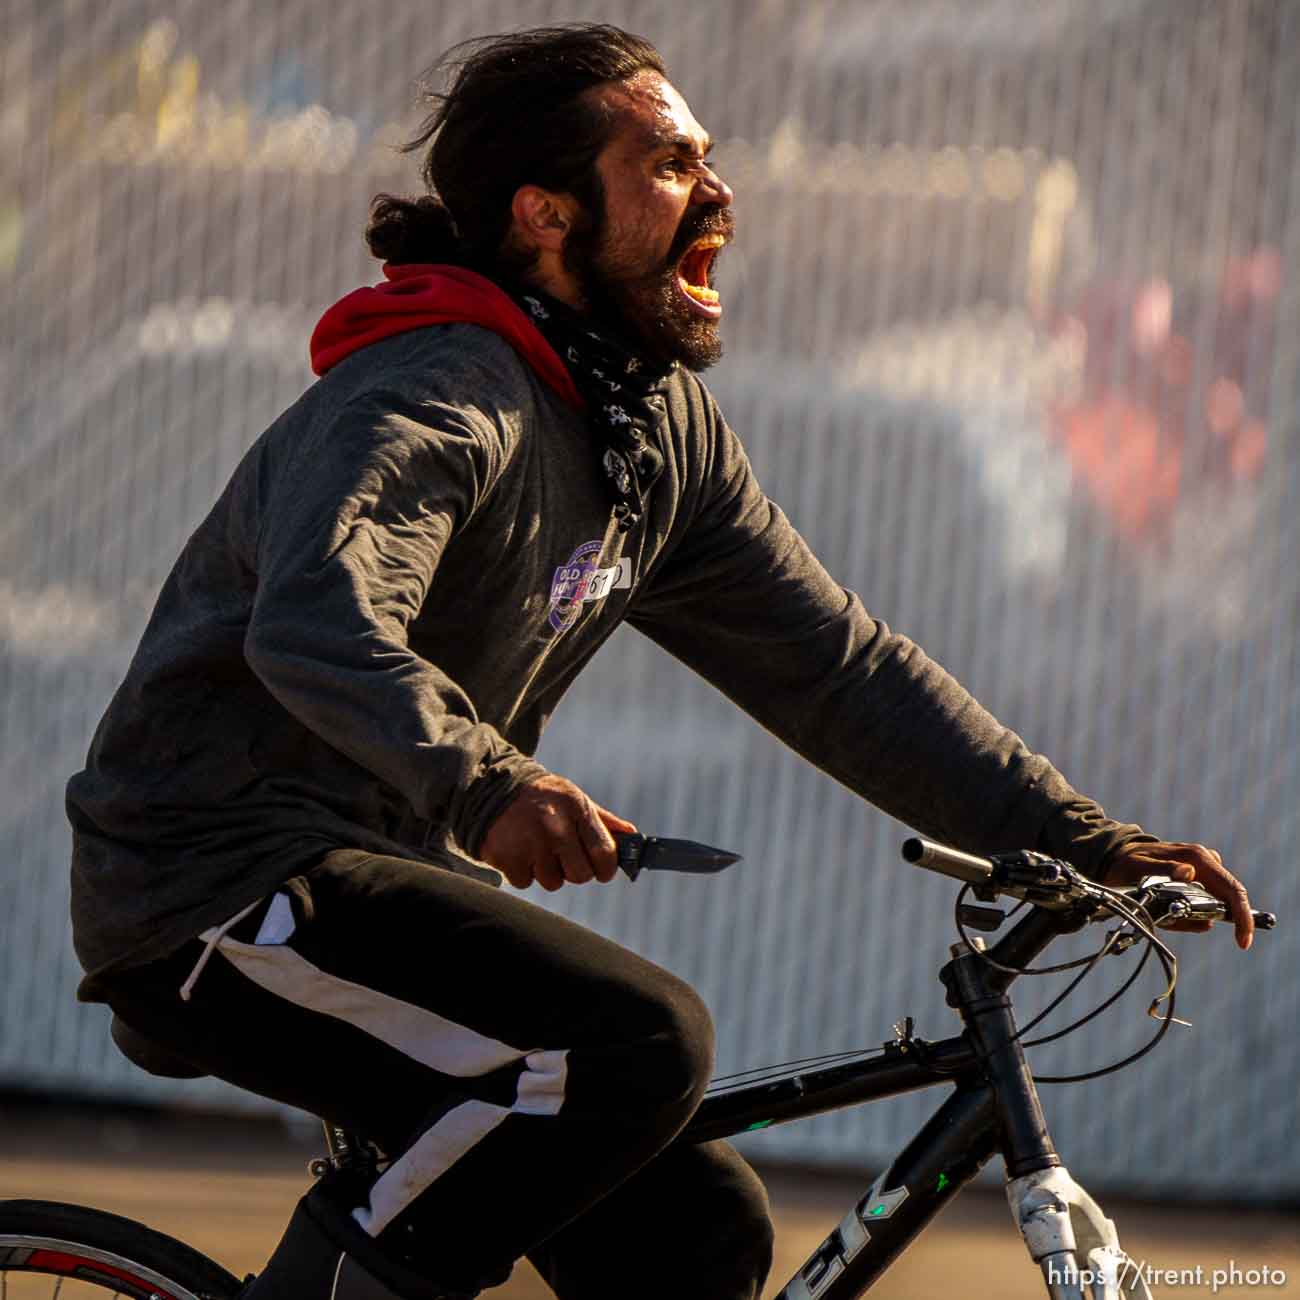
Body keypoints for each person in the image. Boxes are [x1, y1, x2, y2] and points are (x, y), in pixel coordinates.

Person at [66, 23, 1255, 1300]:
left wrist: (1085, 839)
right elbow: (312, 618)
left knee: (695, 1232)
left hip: (364, 877)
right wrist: (489, 784)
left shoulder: (649, 431)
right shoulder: (436, 395)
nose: (721, 192)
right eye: (673, 163)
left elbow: (837, 670)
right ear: (546, 215)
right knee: (635, 1040)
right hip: (214, 884)